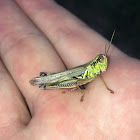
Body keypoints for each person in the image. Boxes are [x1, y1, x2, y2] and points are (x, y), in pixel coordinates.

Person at [0, 0, 139, 139]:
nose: (104, 63)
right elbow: (79, 81)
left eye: (103, 60)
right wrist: (84, 94)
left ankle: (46, 81)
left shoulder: (95, 71)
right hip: (70, 78)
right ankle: (46, 82)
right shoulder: (92, 72)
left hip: (76, 77)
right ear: (96, 63)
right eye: (101, 61)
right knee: (76, 81)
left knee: (80, 80)